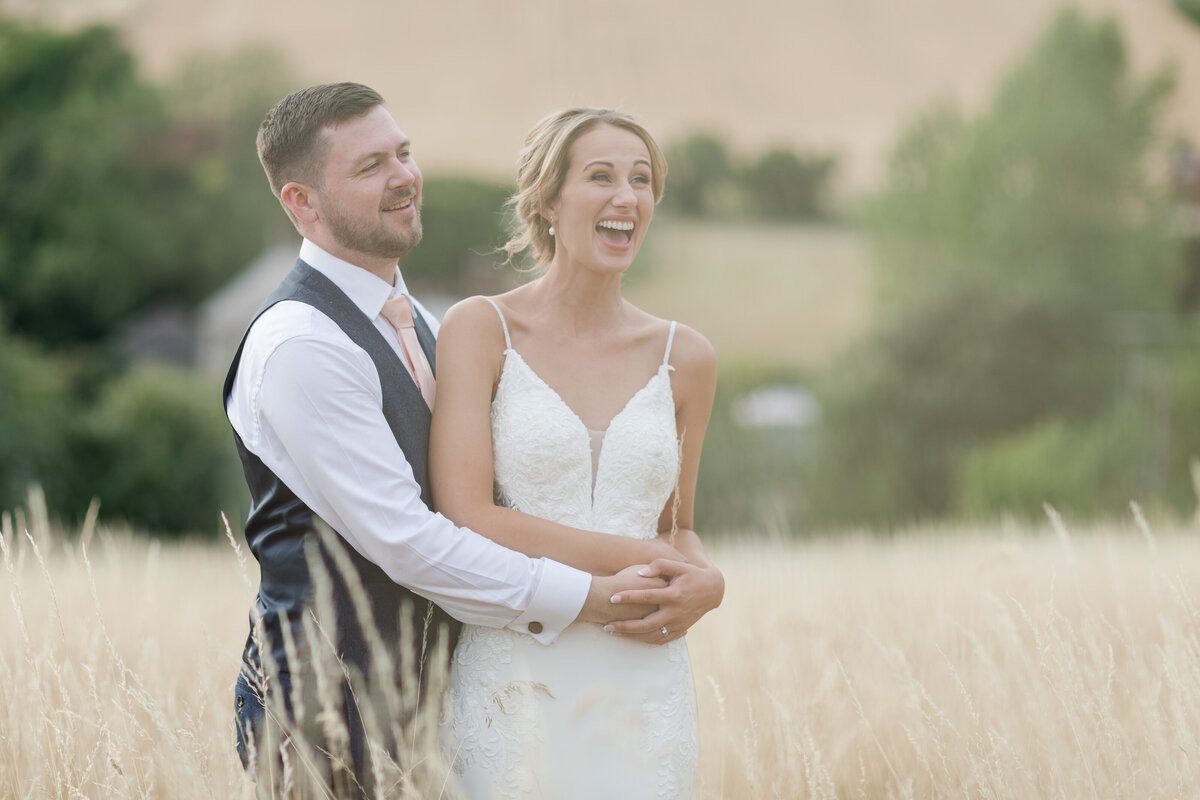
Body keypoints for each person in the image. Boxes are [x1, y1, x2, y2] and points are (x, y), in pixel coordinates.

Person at [222, 83, 723, 797]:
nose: (402, 177)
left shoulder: (422, 324)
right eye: (370, 168)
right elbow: (410, 540)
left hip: (448, 702)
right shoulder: (301, 343)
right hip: (326, 709)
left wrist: (696, 577)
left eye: (403, 153)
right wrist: (604, 595)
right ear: (302, 202)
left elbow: (680, 522)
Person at [433, 108, 720, 799]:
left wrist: (708, 583)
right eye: (601, 176)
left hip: (643, 682)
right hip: (516, 677)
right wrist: (642, 560)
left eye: (642, 180)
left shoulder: (688, 356)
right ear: (547, 201)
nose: (627, 197)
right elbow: (467, 513)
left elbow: (676, 524)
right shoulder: (480, 328)